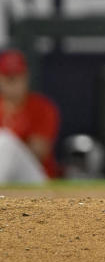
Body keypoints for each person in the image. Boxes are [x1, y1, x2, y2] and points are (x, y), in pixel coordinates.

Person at [0, 49, 60, 183]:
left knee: (5, 142)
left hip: (35, 180)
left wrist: (11, 142)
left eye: (18, 76)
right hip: (5, 181)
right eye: (9, 78)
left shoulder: (42, 107)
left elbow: (38, 153)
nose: (14, 83)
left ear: (26, 77)